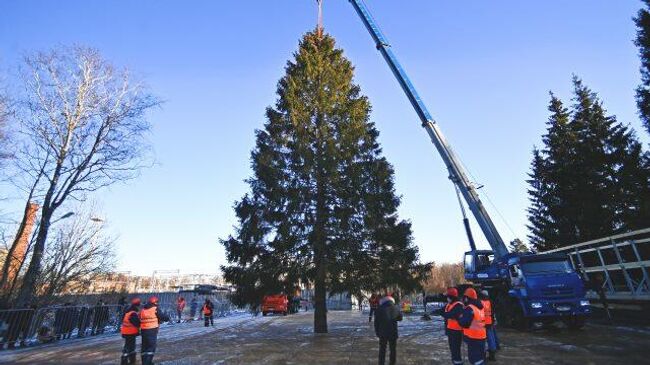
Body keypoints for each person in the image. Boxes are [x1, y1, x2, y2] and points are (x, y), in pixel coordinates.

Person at [139, 296, 170, 365]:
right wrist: (167, 317)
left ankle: (144, 362)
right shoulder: (155, 309)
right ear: (155, 302)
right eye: (157, 302)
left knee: (144, 347)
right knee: (151, 347)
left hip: (143, 331)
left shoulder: (143, 309)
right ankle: (148, 363)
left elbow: (139, 318)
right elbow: (162, 316)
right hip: (151, 331)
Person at [458, 288, 486, 365]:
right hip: (482, 337)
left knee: (475, 359)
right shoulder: (480, 306)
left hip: (473, 338)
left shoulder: (470, 308)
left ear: (467, 298)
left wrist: (460, 318)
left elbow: (465, 323)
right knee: (480, 358)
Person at [438, 287, 464, 365]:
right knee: (452, 348)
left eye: (448, 297)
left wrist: (444, 314)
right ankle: (455, 361)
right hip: (450, 329)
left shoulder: (458, 305)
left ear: (452, 297)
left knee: (455, 348)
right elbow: (442, 311)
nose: (447, 299)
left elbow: (452, 315)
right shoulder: (449, 304)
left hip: (456, 330)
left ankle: (458, 362)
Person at [374, 293, 402, 365]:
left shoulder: (379, 309)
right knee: (393, 350)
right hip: (393, 332)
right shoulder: (396, 307)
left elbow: (376, 323)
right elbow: (400, 318)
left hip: (383, 333)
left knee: (382, 350)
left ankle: (381, 363)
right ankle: (392, 363)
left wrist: (377, 333)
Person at [121, 298, 141, 365]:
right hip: (130, 332)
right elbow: (136, 323)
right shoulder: (133, 313)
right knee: (130, 347)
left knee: (127, 346)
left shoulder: (128, 311)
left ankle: (126, 360)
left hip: (126, 332)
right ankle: (130, 361)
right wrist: (141, 323)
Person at [480, 290, 498, 361]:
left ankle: (483, 356)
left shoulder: (480, 302)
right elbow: (492, 312)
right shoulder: (490, 302)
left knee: (482, 340)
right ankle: (492, 355)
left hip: (483, 323)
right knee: (491, 339)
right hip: (489, 322)